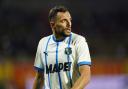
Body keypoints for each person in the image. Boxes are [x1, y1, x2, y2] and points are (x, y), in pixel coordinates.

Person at [33, 5, 91, 89]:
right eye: (64, 21)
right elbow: (39, 78)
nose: (69, 24)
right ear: (53, 25)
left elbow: (86, 75)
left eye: (70, 20)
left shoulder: (78, 41)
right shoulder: (43, 43)